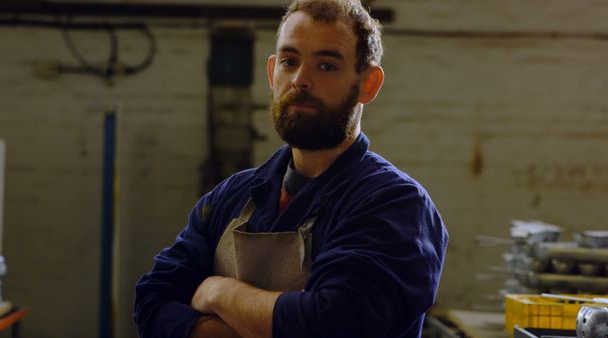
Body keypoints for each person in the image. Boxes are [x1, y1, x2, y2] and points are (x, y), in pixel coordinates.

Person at [134, 0, 449, 337]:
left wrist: (220, 292)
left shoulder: (396, 206)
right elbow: (152, 302)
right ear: (272, 74)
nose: (300, 80)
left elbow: (332, 324)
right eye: (289, 61)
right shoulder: (230, 197)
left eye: (326, 65)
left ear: (367, 85)